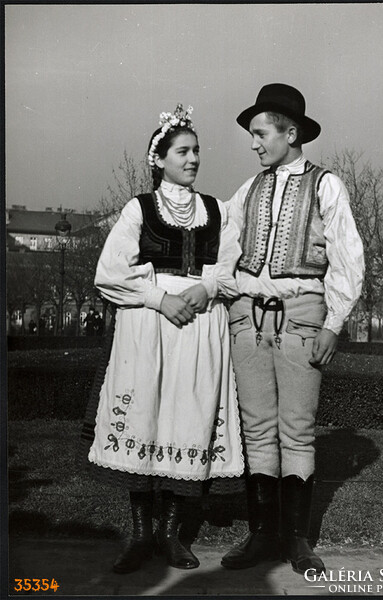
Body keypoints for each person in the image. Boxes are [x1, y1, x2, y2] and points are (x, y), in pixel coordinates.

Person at [81, 104, 244, 574]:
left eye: (196, 151)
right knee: (147, 416)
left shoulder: (217, 210)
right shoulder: (139, 209)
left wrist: (206, 287)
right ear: (161, 159)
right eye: (182, 151)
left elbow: (228, 270)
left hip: (200, 327)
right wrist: (157, 299)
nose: (193, 159)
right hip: (149, 326)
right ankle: (139, 536)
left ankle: (171, 535)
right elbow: (109, 274)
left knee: (187, 420)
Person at [221, 84, 364, 575]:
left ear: (291, 132)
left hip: (303, 317)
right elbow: (223, 249)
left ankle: (298, 540)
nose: (255, 144)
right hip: (249, 319)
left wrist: (334, 322)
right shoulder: (249, 189)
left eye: (261, 134)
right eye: (253, 136)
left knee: (297, 432)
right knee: (257, 430)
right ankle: (262, 535)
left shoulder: (326, 185)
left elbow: (348, 256)